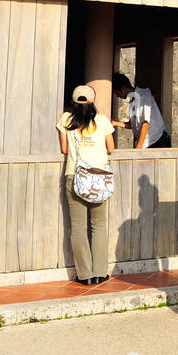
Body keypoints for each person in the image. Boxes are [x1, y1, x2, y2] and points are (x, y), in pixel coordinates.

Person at [57, 85, 115, 285]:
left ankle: (85, 275)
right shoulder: (103, 121)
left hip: (75, 176)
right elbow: (111, 148)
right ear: (92, 101)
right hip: (99, 177)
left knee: (78, 226)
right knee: (99, 225)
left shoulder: (66, 119)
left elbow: (64, 149)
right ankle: (100, 272)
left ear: (73, 101)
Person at [112, 73, 170, 149]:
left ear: (123, 88)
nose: (117, 95)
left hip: (156, 142)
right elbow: (133, 125)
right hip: (146, 144)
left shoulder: (143, 97)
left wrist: (137, 150)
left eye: (117, 92)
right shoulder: (133, 100)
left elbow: (145, 124)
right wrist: (115, 123)